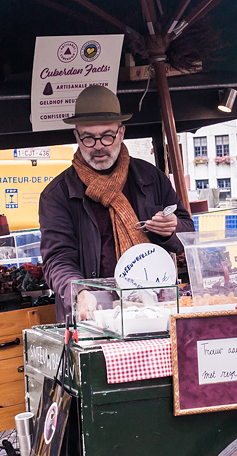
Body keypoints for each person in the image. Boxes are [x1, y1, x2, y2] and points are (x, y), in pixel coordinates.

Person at [39, 85, 195, 319]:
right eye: (89, 138)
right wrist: (78, 290)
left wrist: (171, 230)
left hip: (157, 309)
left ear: (121, 133)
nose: (99, 146)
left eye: (107, 136)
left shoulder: (151, 178)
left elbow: (188, 234)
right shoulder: (57, 195)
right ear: (76, 136)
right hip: (93, 315)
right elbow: (57, 259)